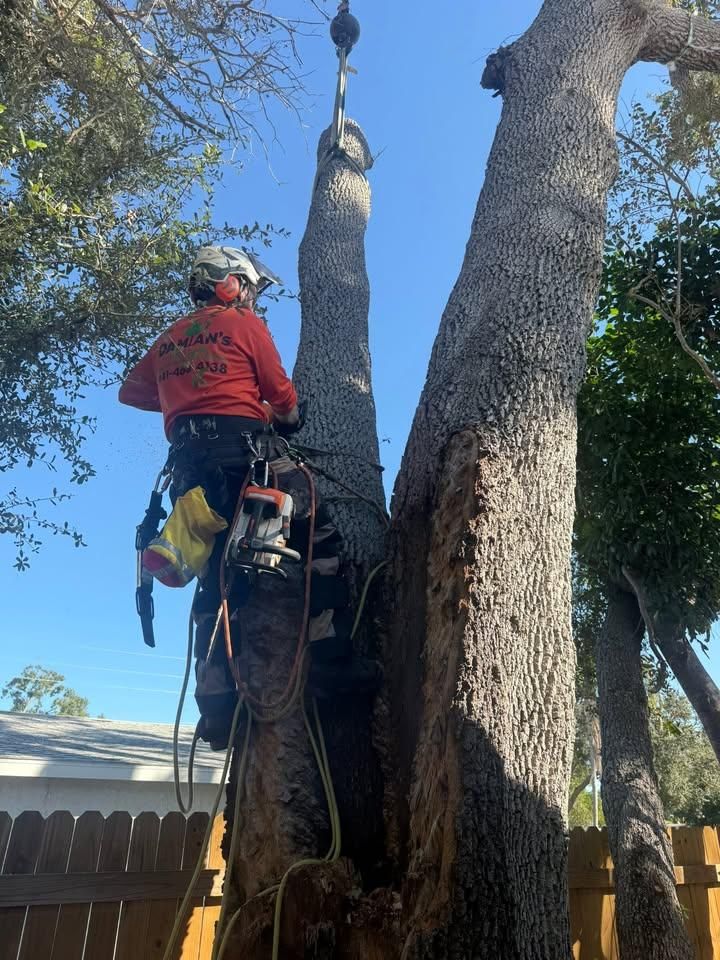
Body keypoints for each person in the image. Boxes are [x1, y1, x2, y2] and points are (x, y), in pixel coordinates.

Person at [119, 245, 379, 749]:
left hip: (189, 472)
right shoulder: (243, 326)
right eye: (250, 288)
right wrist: (274, 414)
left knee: (215, 574)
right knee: (316, 536)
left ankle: (216, 707)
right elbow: (282, 395)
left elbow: (132, 392)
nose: (254, 299)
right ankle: (331, 661)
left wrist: (188, 397)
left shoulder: (171, 338)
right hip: (245, 457)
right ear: (230, 284)